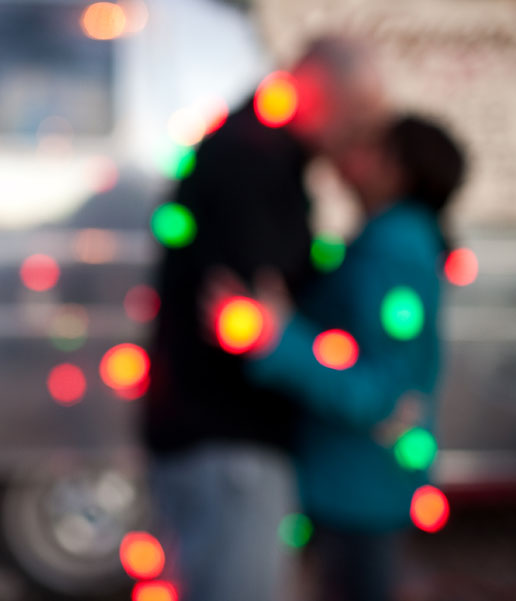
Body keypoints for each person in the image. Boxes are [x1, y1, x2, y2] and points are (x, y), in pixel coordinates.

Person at [143, 36, 387, 601]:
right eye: (354, 120)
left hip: (215, 435)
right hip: (227, 438)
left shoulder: (256, 149)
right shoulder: (252, 158)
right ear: (323, 95)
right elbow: (256, 301)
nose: (353, 140)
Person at [233, 115, 467, 601]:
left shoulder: (394, 251)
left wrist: (277, 339)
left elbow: (379, 393)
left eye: (371, 146)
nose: (352, 156)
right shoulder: (386, 242)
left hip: (361, 489)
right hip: (356, 483)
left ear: (396, 170)